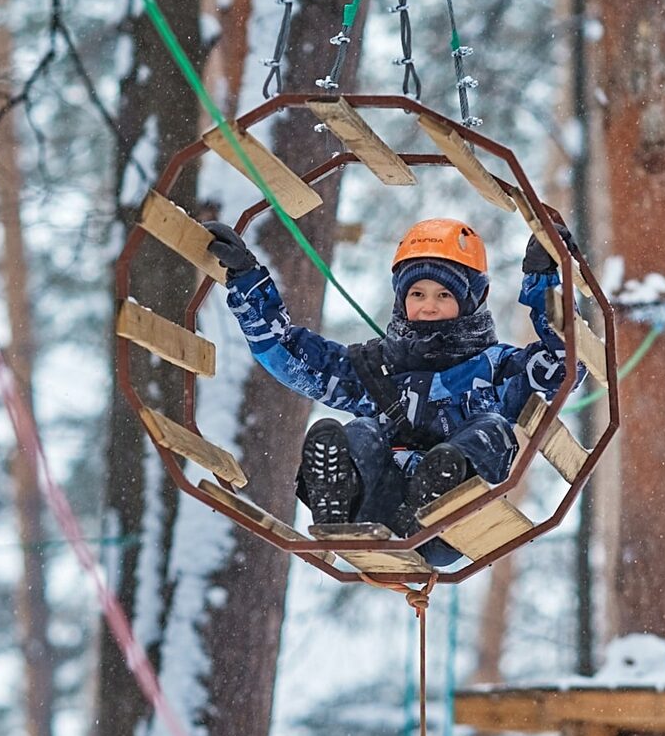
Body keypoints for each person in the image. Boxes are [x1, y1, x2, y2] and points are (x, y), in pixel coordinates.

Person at [203, 217, 576, 566]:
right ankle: (337, 497)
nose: (429, 306)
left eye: (444, 295)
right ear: (401, 299)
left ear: (472, 300)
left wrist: (544, 281)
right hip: (372, 510)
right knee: (361, 431)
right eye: (417, 293)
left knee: (492, 429)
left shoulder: (500, 370)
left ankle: (438, 492)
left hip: (450, 529)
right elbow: (286, 354)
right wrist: (246, 280)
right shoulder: (374, 368)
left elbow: (564, 366)